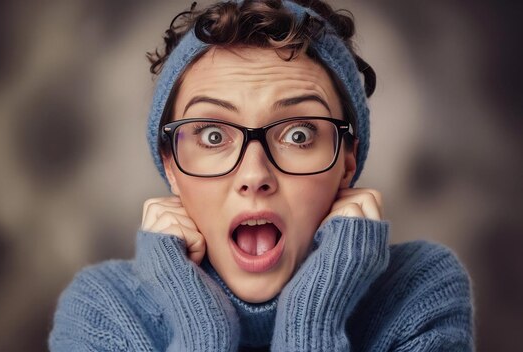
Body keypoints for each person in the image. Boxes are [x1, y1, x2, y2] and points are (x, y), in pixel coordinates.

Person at [49, 0, 473, 350]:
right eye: (213, 134)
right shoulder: (102, 309)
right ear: (171, 166)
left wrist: (314, 311)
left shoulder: (418, 290)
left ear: (347, 161)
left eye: (299, 133)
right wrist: (202, 330)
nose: (255, 174)